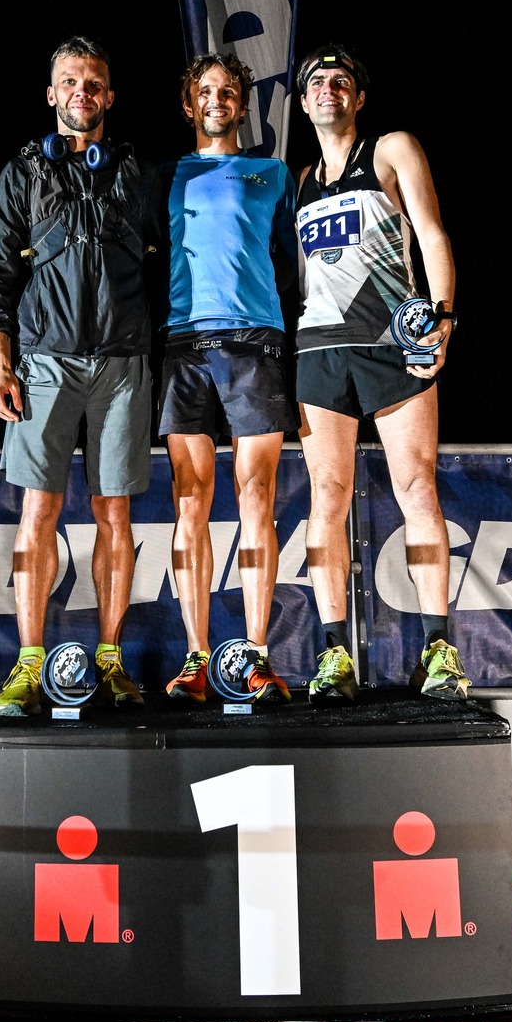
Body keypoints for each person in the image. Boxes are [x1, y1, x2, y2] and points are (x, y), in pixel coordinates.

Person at [0, 37, 162, 716]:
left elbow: (169, 262)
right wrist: (1, 364)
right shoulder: (22, 172)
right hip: (45, 361)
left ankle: (110, 660)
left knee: (115, 512)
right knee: (39, 509)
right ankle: (28, 666)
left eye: (93, 82)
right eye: (69, 81)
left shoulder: (138, 173)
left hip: (122, 363)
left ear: (108, 96)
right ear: (52, 93)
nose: (81, 91)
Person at [292, 44, 469, 702]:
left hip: (393, 342)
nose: (328, 87)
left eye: (341, 79)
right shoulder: (300, 179)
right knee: (326, 496)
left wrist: (442, 317)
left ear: (359, 97)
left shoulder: (391, 149)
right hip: (319, 350)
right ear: (303, 101)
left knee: (417, 487)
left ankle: (438, 650)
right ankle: (334, 654)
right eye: (317, 81)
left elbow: (433, 233)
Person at [158, 54, 300, 705]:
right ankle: (196, 658)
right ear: (190, 105)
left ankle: (255, 658)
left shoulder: (274, 174)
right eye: (205, 92)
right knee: (190, 499)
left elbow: (291, 265)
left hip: (256, 343)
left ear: (243, 104)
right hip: (183, 344)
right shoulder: (166, 177)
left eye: (228, 92)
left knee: (256, 496)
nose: (217, 100)